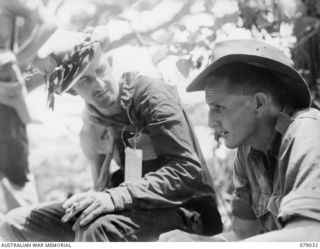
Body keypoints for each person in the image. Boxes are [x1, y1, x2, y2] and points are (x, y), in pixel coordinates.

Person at [0, 27, 222, 242]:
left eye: (100, 70)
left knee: (97, 231)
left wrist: (116, 196)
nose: (98, 85)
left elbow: (186, 171)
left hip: (188, 211)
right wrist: (94, 196)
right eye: (84, 81)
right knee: (14, 224)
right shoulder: (93, 123)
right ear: (73, 91)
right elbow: (100, 185)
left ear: (111, 63)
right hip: (131, 206)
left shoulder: (151, 96)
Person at [159, 39, 320, 242]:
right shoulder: (248, 151)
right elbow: (242, 234)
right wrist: (197, 242)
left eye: (218, 107)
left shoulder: (306, 132)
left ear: (259, 103)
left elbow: (309, 238)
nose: (210, 122)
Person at [0, 0, 58, 208]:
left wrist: (19, 58)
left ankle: (24, 237)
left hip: (5, 101)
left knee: (15, 180)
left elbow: (50, 23)